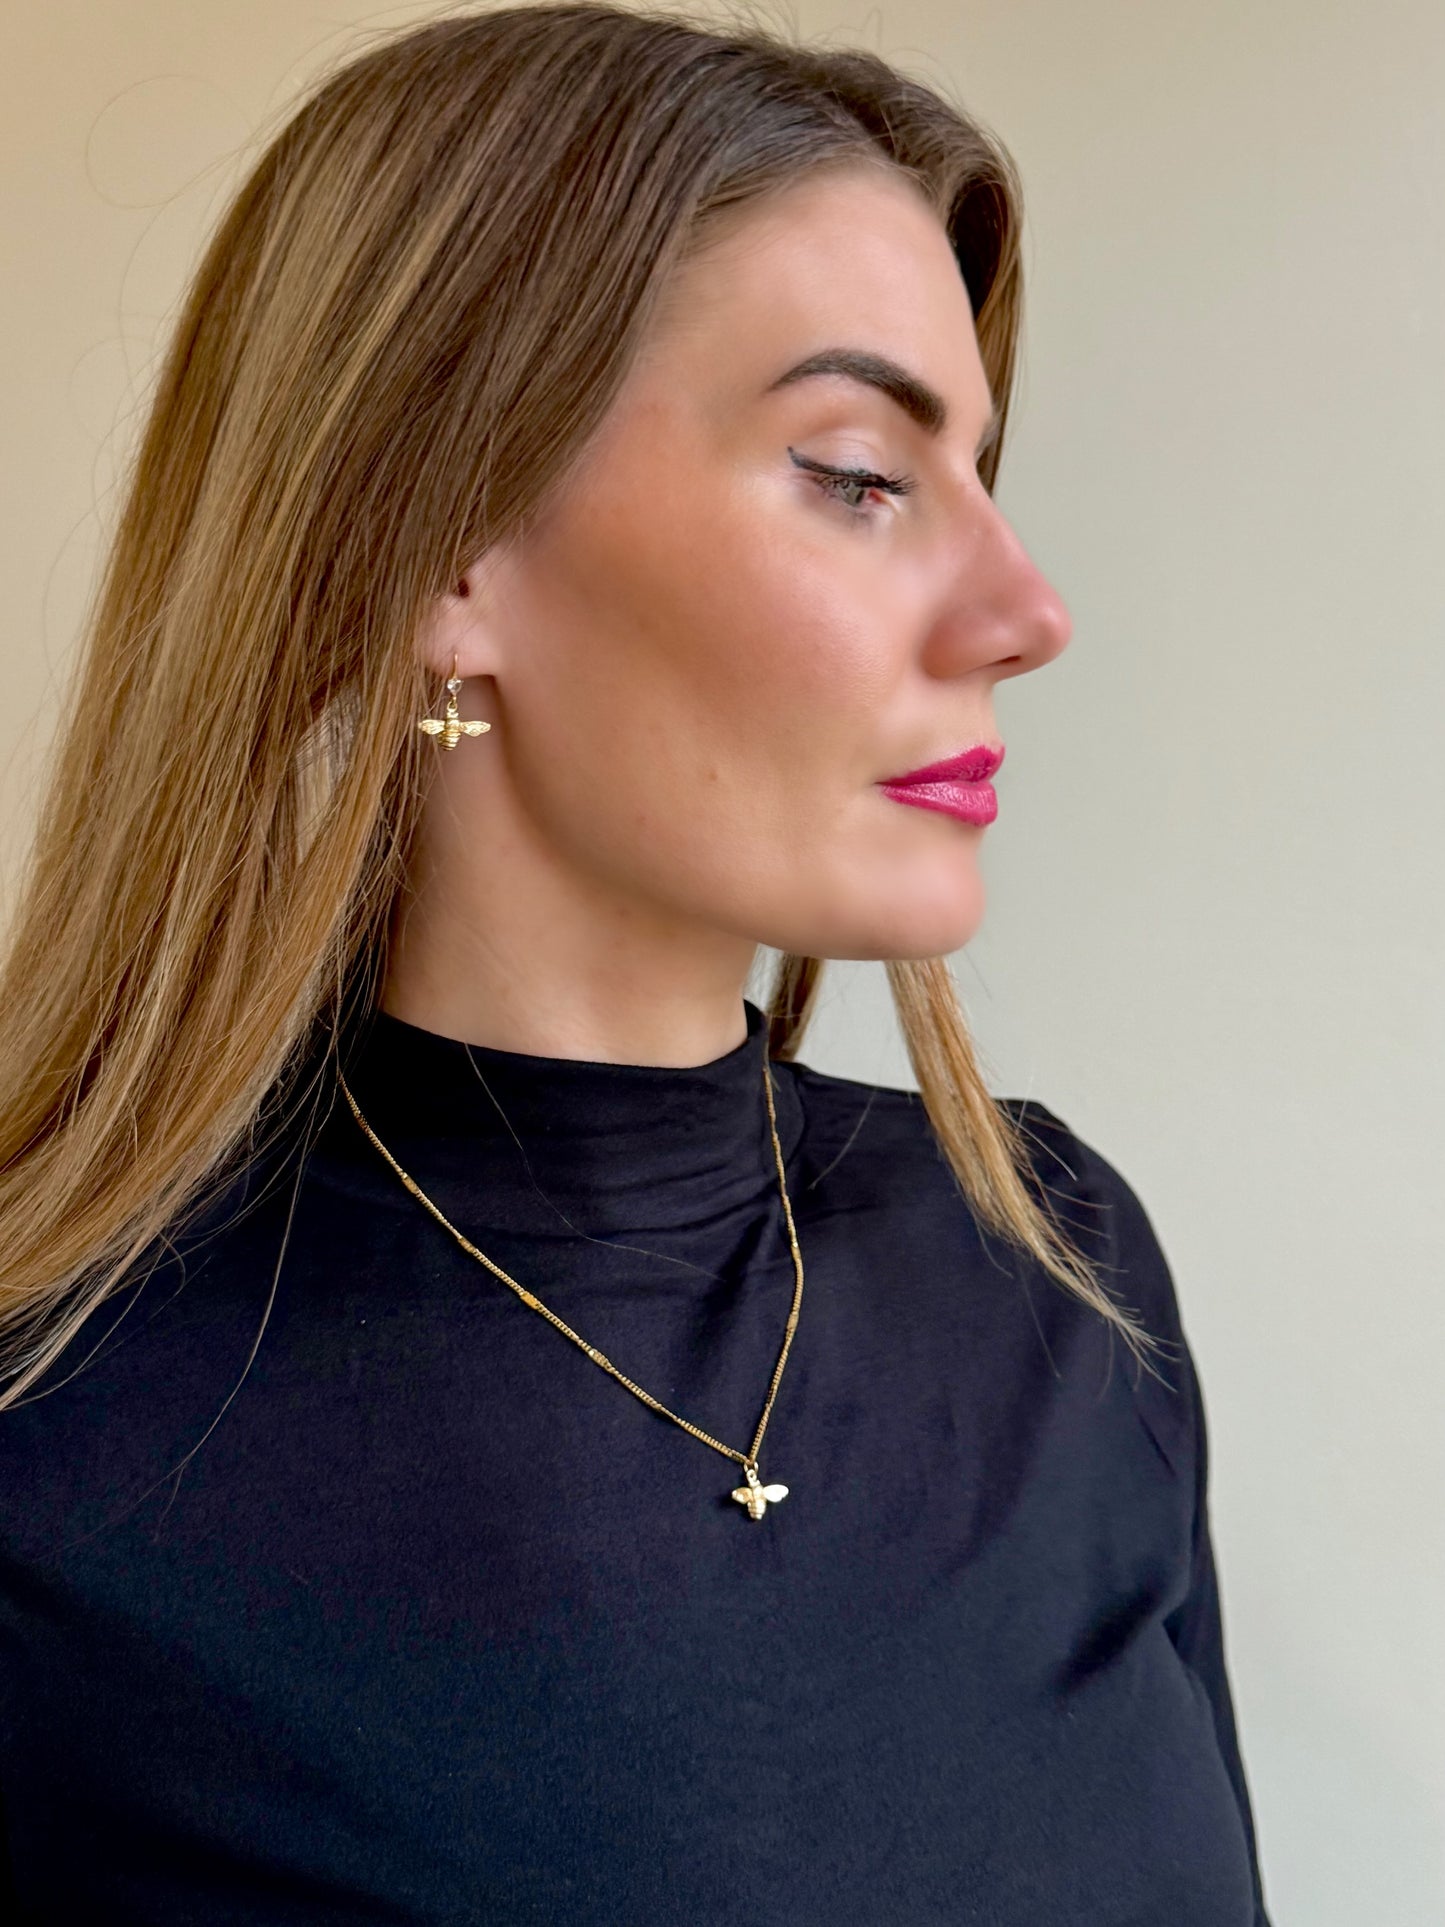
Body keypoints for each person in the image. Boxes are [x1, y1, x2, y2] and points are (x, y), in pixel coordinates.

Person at [0, 4, 1271, 1920]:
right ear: (448, 550)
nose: (1025, 609)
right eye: (858, 474)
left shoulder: (1057, 1276)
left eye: (982, 473)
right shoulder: (60, 1435)